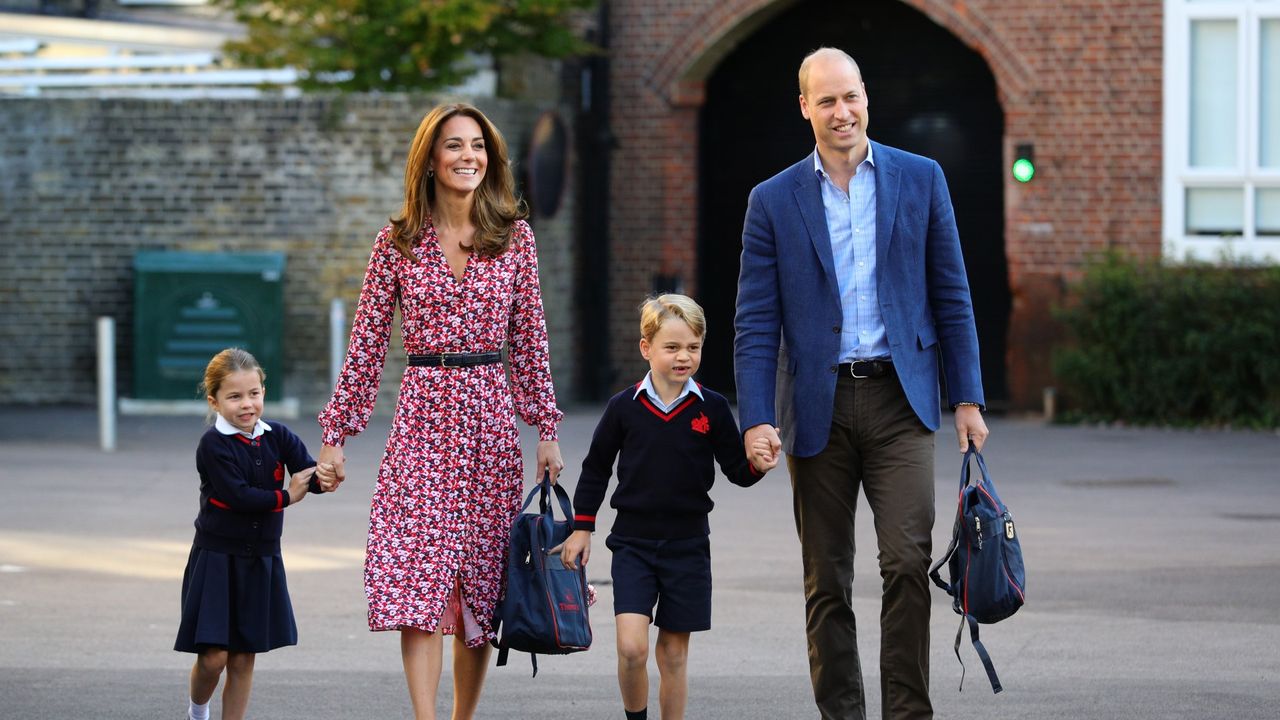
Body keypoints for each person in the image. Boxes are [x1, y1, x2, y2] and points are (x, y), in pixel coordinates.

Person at [733, 47, 991, 720]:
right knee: (827, 579)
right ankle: (842, 713)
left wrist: (967, 396)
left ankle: (908, 712)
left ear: (866, 99)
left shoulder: (921, 178)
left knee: (908, 561)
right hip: (815, 405)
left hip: (900, 399)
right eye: (827, 100)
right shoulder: (772, 201)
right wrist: (757, 416)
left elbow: (952, 293)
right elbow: (755, 323)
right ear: (805, 109)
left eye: (851, 97)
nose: (842, 111)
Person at [315, 102, 565, 720]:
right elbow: (367, 343)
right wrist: (337, 433)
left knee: (480, 585)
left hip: (489, 419)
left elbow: (530, 339)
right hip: (423, 417)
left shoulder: (515, 237)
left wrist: (547, 429)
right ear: (430, 158)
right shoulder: (396, 240)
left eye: (477, 145)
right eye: (454, 145)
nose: (468, 157)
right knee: (418, 577)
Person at [558, 294, 778, 720]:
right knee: (631, 648)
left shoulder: (711, 407)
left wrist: (759, 465)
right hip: (633, 545)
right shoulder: (624, 407)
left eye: (692, 347)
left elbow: (737, 470)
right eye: (672, 347)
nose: (684, 357)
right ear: (647, 348)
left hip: (688, 546)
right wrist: (582, 527)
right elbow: (596, 467)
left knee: (674, 655)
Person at [175, 347, 327, 720]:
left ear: (263, 391)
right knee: (213, 658)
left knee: (243, 658)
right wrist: (288, 496)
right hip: (217, 558)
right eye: (235, 396)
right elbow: (239, 496)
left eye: (254, 394)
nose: (247, 404)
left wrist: (326, 475)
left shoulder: (278, 435)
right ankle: (198, 711)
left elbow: (307, 471)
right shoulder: (213, 444)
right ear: (214, 400)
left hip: (261, 558)